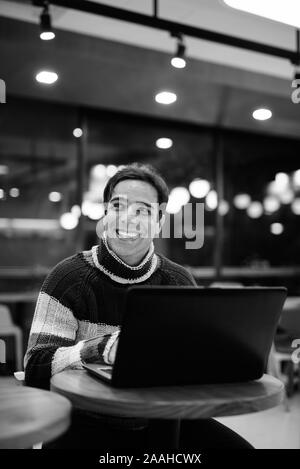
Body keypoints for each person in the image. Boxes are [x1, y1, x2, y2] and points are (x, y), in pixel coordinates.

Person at [24, 163, 253, 449]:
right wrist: (98, 350)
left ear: (158, 222)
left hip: (165, 419)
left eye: (143, 210)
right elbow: (35, 368)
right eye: (118, 206)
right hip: (88, 421)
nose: (128, 218)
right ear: (105, 214)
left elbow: (195, 364)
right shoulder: (68, 278)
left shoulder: (178, 281)